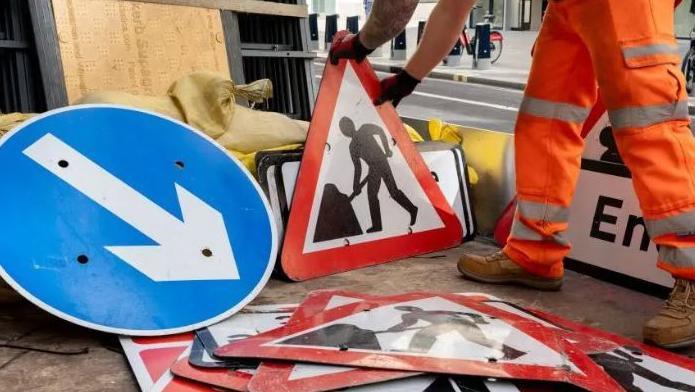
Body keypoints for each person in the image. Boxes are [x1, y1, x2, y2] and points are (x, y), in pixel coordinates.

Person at [330, 0, 695, 349]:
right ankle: (536, 253)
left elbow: (399, 8)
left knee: (647, 122)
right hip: (569, 6)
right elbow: (455, 6)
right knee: (544, 121)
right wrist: (410, 78)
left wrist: (363, 44)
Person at [339, 117, 418, 232]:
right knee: (372, 196)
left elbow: (380, 130)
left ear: (352, 124)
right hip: (373, 169)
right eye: (344, 129)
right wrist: (355, 185)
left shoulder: (364, 129)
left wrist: (386, 149)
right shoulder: (352, 147)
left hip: (382, 162)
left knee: (393, 191)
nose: (347, 130)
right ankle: (377, 225)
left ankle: (412, 209)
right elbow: (358, 167)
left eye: (347, 126)